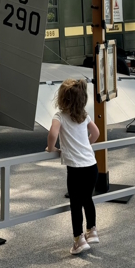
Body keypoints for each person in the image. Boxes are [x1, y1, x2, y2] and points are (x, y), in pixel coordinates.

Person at [46, 78, 100, 255]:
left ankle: (79, 240)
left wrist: (52, 148)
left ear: (62, 98)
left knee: (75, 204)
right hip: (91, 165)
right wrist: (86, 144)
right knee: (87, 199)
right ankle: (92, 231)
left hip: (75, 168)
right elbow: (96, 133)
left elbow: (53, 133)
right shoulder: (84, 115)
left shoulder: (59, 116)